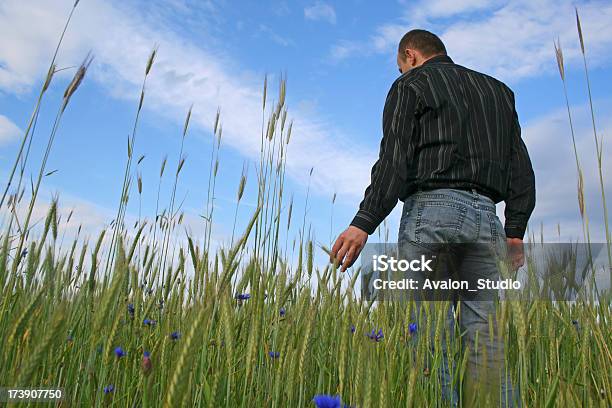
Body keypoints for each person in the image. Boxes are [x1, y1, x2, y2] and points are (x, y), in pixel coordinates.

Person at [330, 29, 535, 406]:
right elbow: (521, 169)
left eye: (399, 68)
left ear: (410, 56)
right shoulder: (499, 93)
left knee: (429, 340)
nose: (401, 74)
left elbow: (394, 160)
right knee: (486, 340)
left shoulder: (412, 85)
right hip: (488, 220)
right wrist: (515, 231)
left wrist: (364, 221)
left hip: (433, 213)